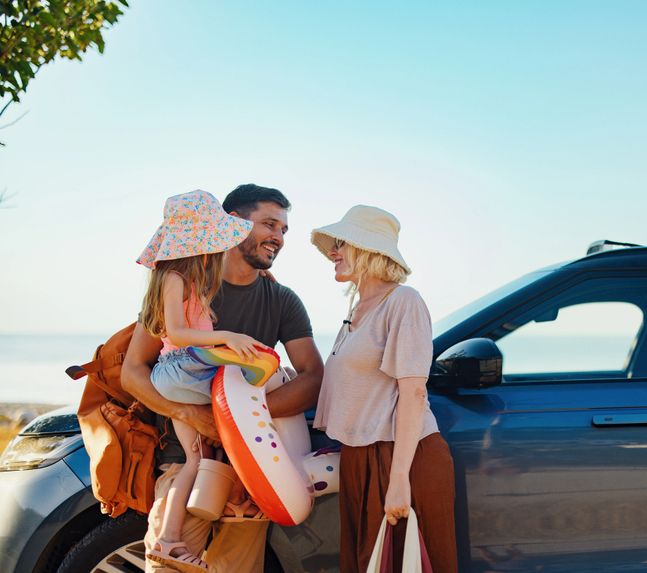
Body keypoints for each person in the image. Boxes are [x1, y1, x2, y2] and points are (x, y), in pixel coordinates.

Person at [122, 184, 324, 573]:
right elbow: (134, 371)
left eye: (283, 229)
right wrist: (192, 415)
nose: (278, 237)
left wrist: (235, 425)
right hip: (185, 463)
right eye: (269, 224)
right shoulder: (184, 280)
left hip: (251, 477)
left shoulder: (282, 300)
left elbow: (312, 377)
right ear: (230, 225)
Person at [135, 190, 277, 571]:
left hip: (180, 374)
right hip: (180, 369)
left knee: (195, 459)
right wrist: (226, 336)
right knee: (245, 390)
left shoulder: (192, 279)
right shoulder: (174, 277)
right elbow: (178, 333)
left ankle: (168, 541)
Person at [310, 205, 457, 572]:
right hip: (361, 458)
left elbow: (413, 393)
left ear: (369, 249)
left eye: (342, 243)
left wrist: (399, 482)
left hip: (403, 457)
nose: (333, 252)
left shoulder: (403, 302)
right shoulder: (358, 311)